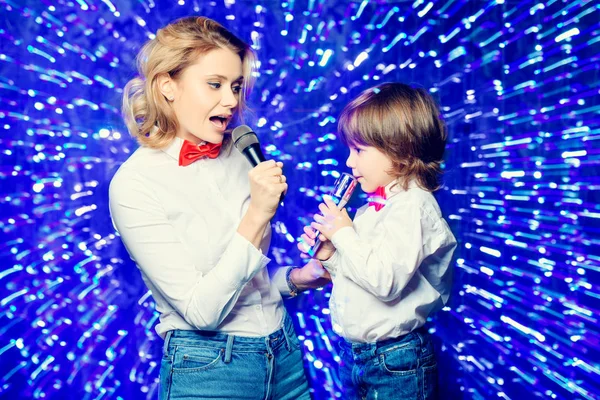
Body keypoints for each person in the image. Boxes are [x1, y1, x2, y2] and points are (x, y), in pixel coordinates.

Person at [109, 16, 327, 400]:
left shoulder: (242, 154)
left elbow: (247, 284)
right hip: (211, 371)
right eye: (215, 84)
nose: (231, 101)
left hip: (284, 356)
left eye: (236, 86)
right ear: (167, 86)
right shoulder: (135, 184)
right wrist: (257, 214)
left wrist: (294, 280)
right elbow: (202, 311)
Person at [299, 82, 457, 399]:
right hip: (358, 355)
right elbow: (362, 275)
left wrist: (343, 232)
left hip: (397, 360)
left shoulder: (414, 207)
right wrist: (331, 253)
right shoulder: (373, 209)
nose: (349, 162)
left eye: (359, 150)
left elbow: (384, 281)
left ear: (400, 147)